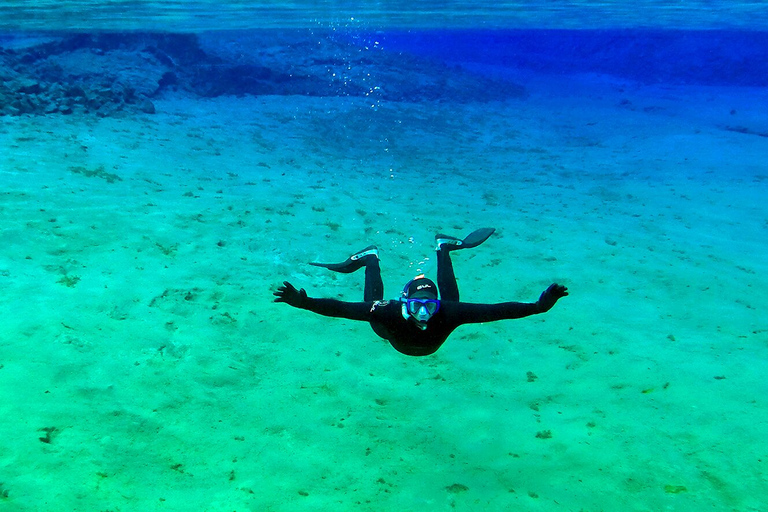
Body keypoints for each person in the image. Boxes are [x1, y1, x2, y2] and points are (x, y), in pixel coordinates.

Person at [274, 228, 568, 356]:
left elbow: (497, 311)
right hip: (389, 328)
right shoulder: (388, 310)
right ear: (404, 303)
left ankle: (444, 250)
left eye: (430, 306)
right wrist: (305, 302)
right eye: (417, 306)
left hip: (431, 325)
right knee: (371, 309)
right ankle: (369, 258)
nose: (424, 313)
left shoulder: (447, 312)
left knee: (455, 306)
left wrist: (538, 306)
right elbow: (341, 309)